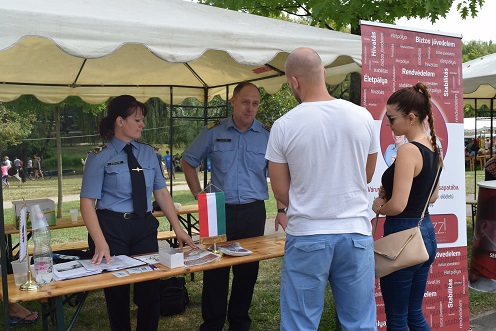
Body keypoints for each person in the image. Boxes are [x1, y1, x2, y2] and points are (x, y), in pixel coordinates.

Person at [265, 47, 379, 331]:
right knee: (359, 322)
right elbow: (367, 174)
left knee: (300, 323)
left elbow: (280, 192)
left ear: (293, 82)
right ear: (324, 74)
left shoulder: (283, 126)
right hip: (355, 231)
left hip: (307, 233)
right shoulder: (362, 116)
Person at [80, 95, 196, 331]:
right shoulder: (99, 156)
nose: (142, 124)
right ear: (120, 121)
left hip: (143, 227)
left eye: (142, 119)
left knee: (150, 291)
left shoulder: (147, 153)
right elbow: (86, 203)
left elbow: (161, 194)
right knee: (117, 294)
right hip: (112, 229)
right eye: (137, 119)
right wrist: (101, 244)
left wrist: (178, 228)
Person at [181, 82, 286, 331]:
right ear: (233, 101)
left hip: (253, 211)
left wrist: (281, 210)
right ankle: (212, 324)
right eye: (245, 102)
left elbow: (279, 173)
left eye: (255, 103)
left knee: (247, 272)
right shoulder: (213, 132)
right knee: (214, 270)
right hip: (216, 210)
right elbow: (188, 160)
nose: (250, 108)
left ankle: (239, 323)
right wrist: (198, 195)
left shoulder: (268, 135)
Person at [372, 82, 442, 330]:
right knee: (414, 314)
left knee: (398, 318)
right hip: (426, 233)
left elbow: (398, 205)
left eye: (392, 119)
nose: (389, 124)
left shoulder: (408, 151)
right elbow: (431, 197)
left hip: (403, 236)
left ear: (411, 117)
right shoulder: (434, 146)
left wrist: (379, 205)